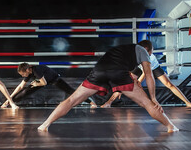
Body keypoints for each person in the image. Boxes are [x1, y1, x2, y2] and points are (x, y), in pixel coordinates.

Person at [38, 40, 179, 132]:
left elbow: (131, 76)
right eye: (150, 54)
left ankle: (45, 124)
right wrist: (153, 98)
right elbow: (148, 75)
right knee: (147, 103)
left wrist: (136, 86)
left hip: (98, 72)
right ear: (147, 50)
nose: (149, 57)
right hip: (118, 73)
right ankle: (170, 126)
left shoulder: (122, 49)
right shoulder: (142, 51)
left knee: (71, 100)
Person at [101, 53, 191, 108]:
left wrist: (138, 82)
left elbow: (146, 73)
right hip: (141, 68)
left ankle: (188, 103)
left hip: (154, 68)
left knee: (168, 84)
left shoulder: (150, 58)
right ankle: (108, 102)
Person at [1, 62, 97, 108]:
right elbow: (20, 87)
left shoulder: (36, 70)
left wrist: (35, 83)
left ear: (27, 70)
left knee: (71, 91)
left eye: (23, 74)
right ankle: (10, 103)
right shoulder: (29, 73)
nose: (23, 76)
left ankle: (91, 102)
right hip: (42, 81)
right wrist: (8, 99)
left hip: (55, 80)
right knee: (26, 90)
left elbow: (44, 83)